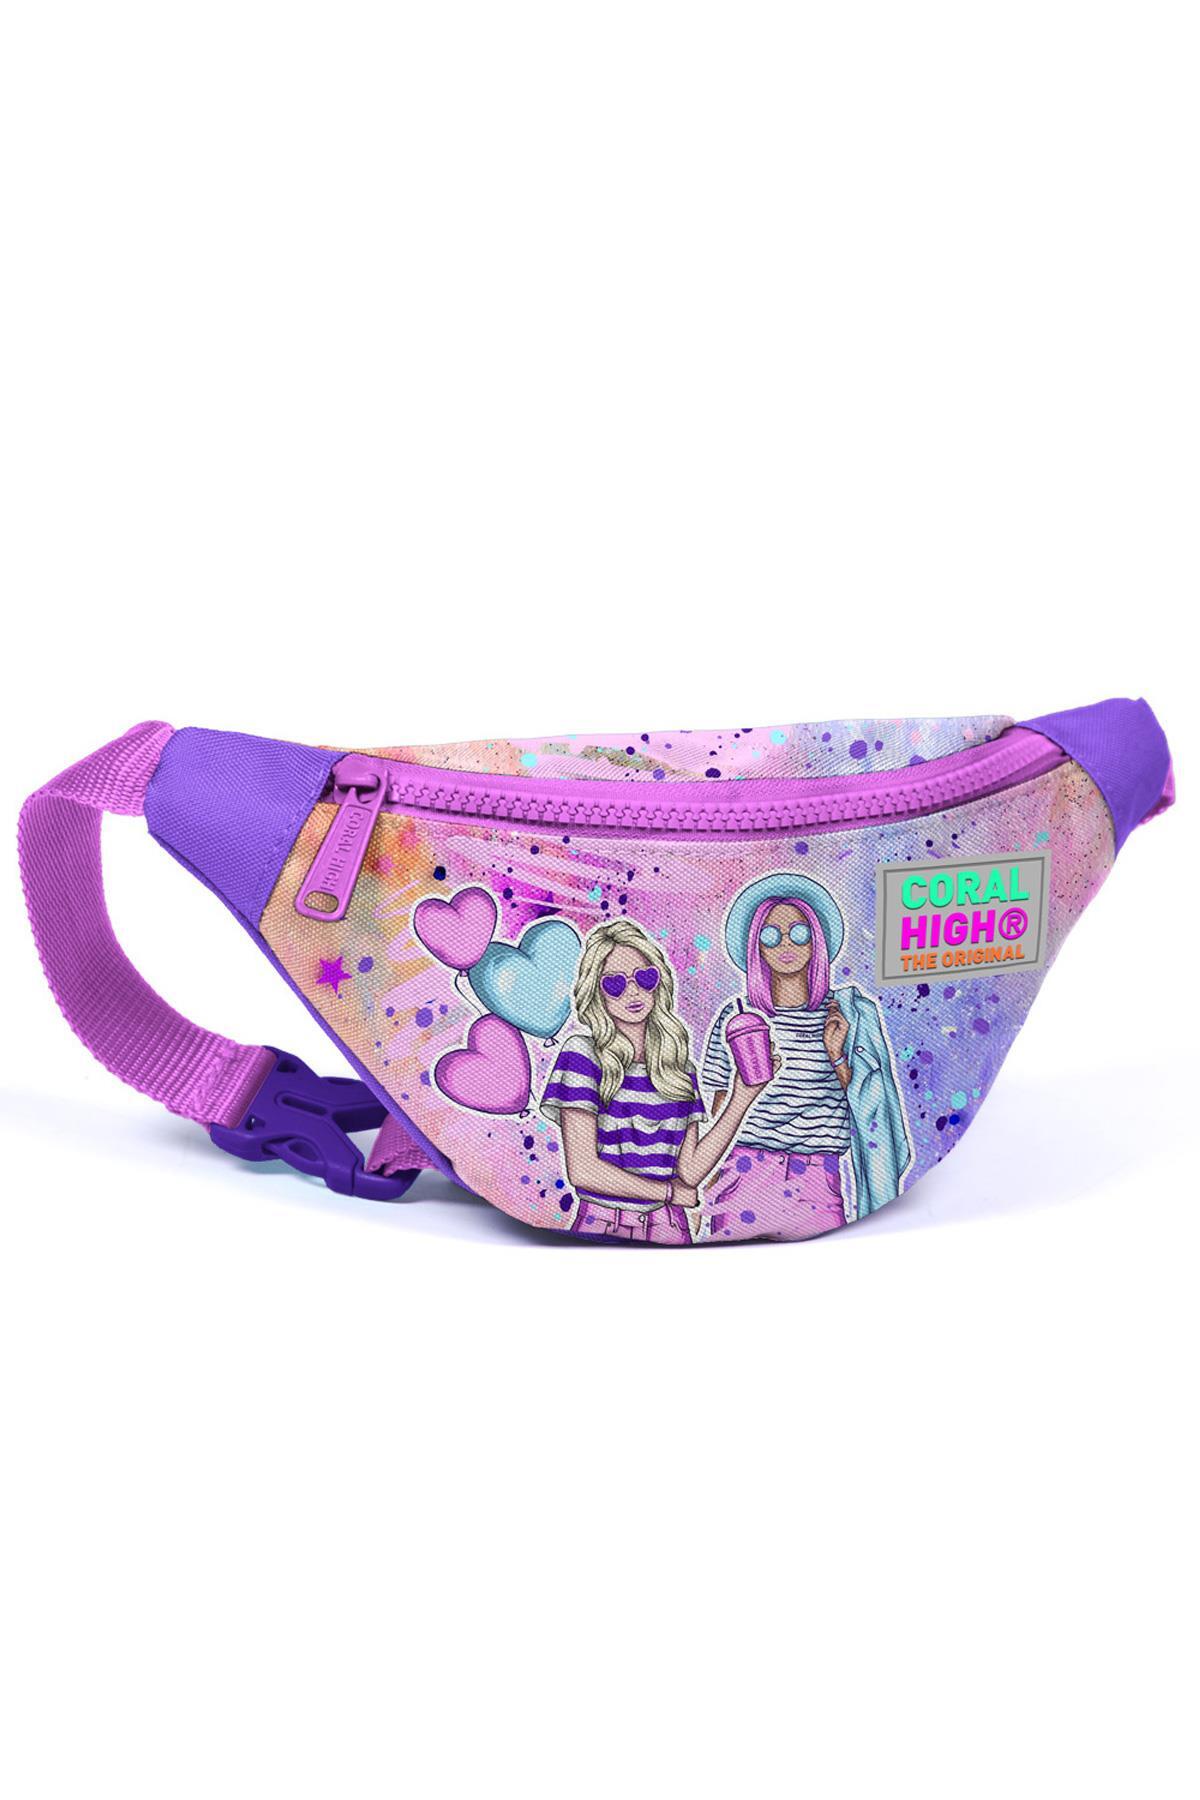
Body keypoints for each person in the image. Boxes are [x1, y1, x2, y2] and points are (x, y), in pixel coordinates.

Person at [702, 873, 911, 1239]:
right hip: (743, 1172)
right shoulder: (736, 1015)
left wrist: (837, 1055)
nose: (786, 944)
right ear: (755, 946)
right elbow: (718, 1105)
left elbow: (867, 1108)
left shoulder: (845, 1015)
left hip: (818, 1176)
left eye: (799, 933)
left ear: (817, 940)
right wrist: (710, 1175)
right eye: (770, 935)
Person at [542, 919, 776, 1244]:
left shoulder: (679, 1068)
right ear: (596, 992)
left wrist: (743, 1097)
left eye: (644, 978)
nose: (633, 992)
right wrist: (667, 1192)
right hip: (603, 1220)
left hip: (670, 1225)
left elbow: (690, 1171)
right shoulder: (583, 1054)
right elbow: (583, 1169)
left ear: (658, 981)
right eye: (614, 984)